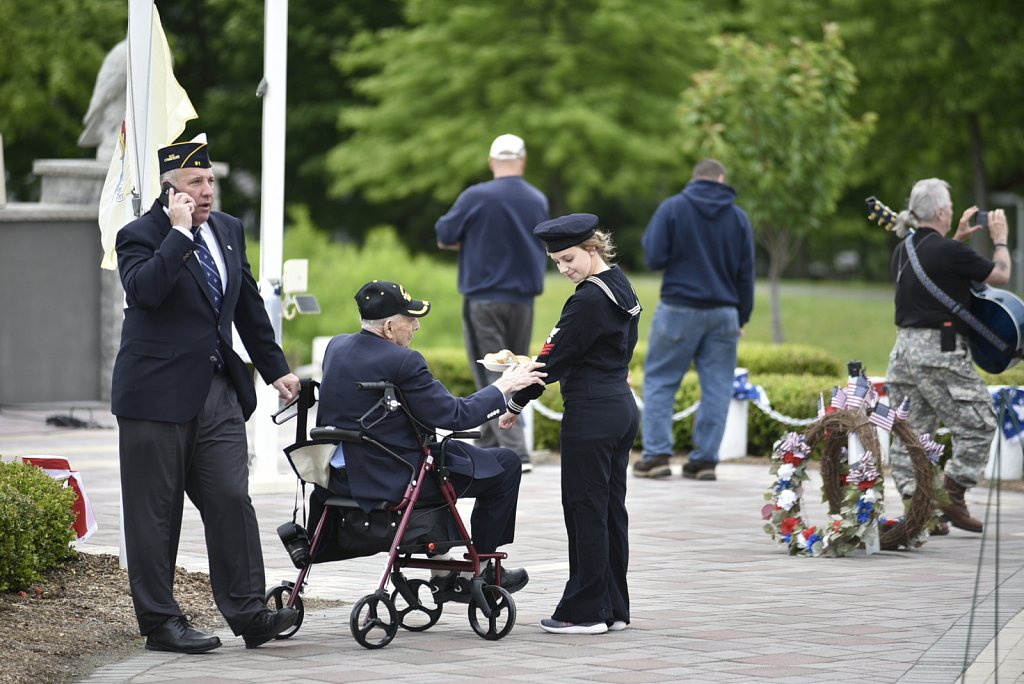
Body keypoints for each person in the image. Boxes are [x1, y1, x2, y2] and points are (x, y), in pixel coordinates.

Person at [111, 136, 301, 654]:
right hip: (154, 397)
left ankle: (249, 611)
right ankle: (161, 624)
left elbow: (248, 306)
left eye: (211, 180)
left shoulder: (229, 230)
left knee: (231, 499)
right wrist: (176, 235)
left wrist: (275, 368)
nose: (208, 190)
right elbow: (145, 292)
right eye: (196, 182)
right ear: (170, 190)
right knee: (156, 512)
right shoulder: (139, 235)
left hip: (217, 391)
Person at [316, 280, 547, 590]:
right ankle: (482, 568)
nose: (416, 327)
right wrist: (504, 386)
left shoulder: (337, 346)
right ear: (388, 327)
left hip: (341, 476)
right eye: (410, 320)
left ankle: (445, 571)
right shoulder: (404, 361)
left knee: (454, 461)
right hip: (396, 477)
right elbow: (455, 416)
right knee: (505, 464)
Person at [500, 214, 641, 635]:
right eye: (558, 262)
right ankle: (614, 606)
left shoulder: (586, 300)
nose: (564, 269)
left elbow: (553, 359)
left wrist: (515, 402)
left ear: (592, 248)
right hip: (619, 407)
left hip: (592, 414)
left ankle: (584, 611)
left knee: (584, 510)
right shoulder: (620, 284)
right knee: (611, 511)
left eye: (569, 258)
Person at [885, 178, 1011, 533]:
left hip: (903, 352)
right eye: (950, 208)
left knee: (912, 432)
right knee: (979, 423)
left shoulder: (903, 251)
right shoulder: (950, 253)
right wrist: (999, 238)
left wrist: (957, 238)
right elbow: (1001, 275)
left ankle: (919, 509)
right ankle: (950, 494)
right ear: (941, 212)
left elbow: (936, 269)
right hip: (939, 350)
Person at [634, 159, 755, 481]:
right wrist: (741, 315)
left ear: (695, 179)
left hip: (678, 307)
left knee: (661, 380)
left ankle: (657, 456)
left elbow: (654, 256)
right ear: (721, 178)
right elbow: (746, 274)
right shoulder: (738, 217)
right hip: (724, 312)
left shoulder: (673, 208)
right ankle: (704, 461)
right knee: (717, 387)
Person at [435, 133, 550, 471]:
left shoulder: (476, 196)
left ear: (490, 161)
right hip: (523, 298)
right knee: (515, 366)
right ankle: (486, 444)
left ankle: (516, 451)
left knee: (491, 370)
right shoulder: (537, 199)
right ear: (523, 161)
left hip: (484, 296)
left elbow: (445, 235)